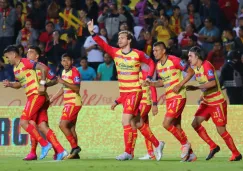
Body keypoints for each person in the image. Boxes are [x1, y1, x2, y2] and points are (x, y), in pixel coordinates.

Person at [88, 19, 164, 161]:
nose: (119, 40)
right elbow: (103, 44)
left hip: (135, 91)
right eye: (118, 38)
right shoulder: (115, 52)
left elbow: (151, 62)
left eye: (122, 38)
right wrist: (93, 33)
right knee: (137, 123)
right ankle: (158, 143)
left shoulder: (138, 54)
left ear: (129, 40)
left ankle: (128, 152)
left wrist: (148, 77)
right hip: (124, 93)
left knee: (125, 120)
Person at [187, 46, 242, 161]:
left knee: (221, 130)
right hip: (207, 102)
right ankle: (213, 146)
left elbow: (212, 83)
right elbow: (207, 84)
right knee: (195, 124)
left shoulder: (206, 66)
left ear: (197, 57)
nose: (189, 58)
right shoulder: (196, 68)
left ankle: (236, 153)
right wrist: (202, 96)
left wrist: (196, 87)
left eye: (190, 56)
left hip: (217, 102)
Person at [145, 41, 196, 162]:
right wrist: (151, 83)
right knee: (177, 126)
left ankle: (185, 144)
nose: (154, 52)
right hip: (169, 97)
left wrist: (180, 85)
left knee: (166, 123)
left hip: (178, 96)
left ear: (163, 51)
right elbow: (163, 82)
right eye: (153, 51)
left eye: (156, 50)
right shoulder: (158, 65)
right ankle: (191, 155)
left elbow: (191, 72)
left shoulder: (174, 60)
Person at [3, 45, 52, 160]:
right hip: (30, 96)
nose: (7, 60)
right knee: (29, 123)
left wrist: (42, 84)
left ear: (13, 54)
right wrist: (10, 84)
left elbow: (43, 68)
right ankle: (42, 147)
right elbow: (19, 84)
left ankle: (46, 145)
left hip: (36, 94)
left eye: (7, 57)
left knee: (24, 122)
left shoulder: (25, 62)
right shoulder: (16, 69)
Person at [24, 46, 67, 160]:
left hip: (38, 98)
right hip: (38, 99)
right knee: (43, 126)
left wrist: (45, 85)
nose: (28, 55)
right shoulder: (26, 67)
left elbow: (55, 79)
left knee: (29, 122)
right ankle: (60, 150)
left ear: (37, 56)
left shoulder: (42, 67)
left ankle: (33, 152)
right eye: (27, 53)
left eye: (31, 53)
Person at [50, 53, 82, 159]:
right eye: (63, 60)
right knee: (71, 128)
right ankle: (75, 154)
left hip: (73, 102)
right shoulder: (63, 72)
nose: (66, 62)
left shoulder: (75, 71)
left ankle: (75, 147)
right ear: (61, 62)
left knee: (62, 125)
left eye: (68, 60)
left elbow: (77, 88)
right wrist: (53, 99)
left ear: (72, 61)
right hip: (69, 102)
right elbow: (63, 88)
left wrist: (63, 81)